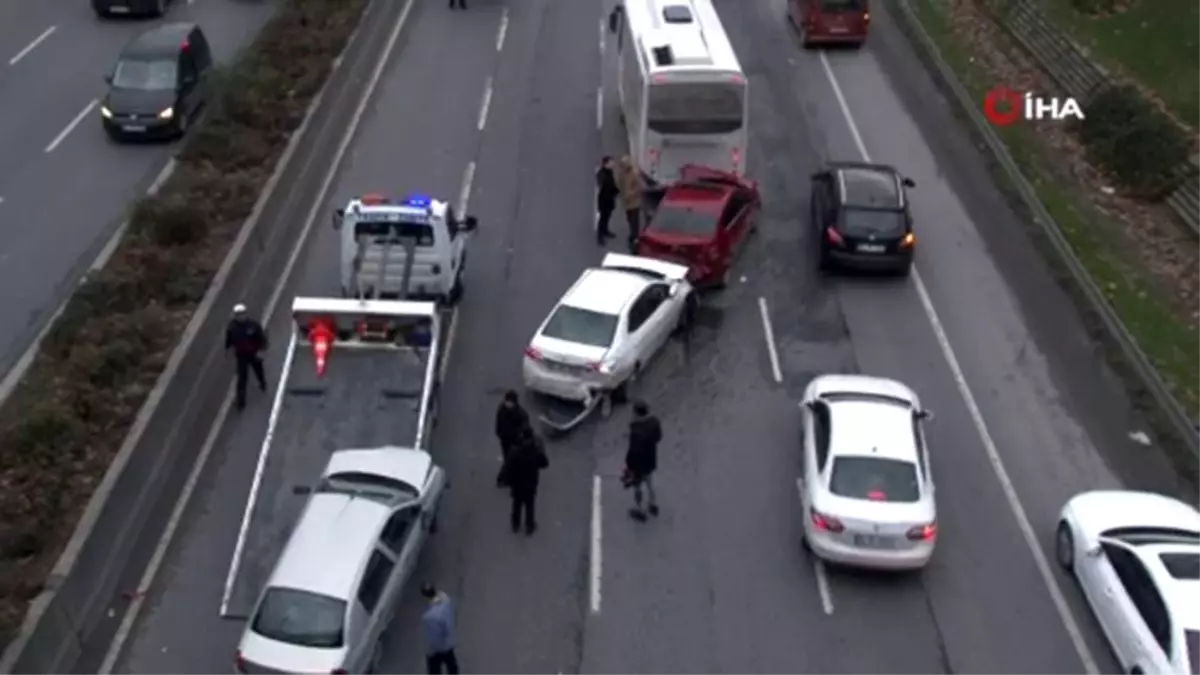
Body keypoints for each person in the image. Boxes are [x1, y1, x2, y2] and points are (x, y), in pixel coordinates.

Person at [506, 425, 549, 534]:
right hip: (531, 484)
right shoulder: (536, 452)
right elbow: (545, 463)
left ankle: (515, 524)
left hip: (517, 484)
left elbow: (509, 467)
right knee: (530, 506)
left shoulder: (515, 452)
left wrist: (509, 481)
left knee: (517, 504)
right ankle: (529, 526)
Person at [225, 303, 268, 411]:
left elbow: (261, 338)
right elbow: (229, 339)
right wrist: (228, 349)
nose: (240, 316)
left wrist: (261, 349)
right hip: (241, 356)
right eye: (238, 314)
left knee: (258, 370)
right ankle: (241, 403)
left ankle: (262, 383)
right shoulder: (232, 327)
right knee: (242, 379)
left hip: (253, 353)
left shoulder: (253, 325)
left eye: (242, 314)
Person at [625, 400, 662, 521]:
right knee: (650, 482)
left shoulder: (636, 429)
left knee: (637, 487)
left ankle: (639, 509)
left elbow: (633, 451)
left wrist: (629, 466)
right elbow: (658, 437)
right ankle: (653, 503)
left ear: (636, 413)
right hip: (650, 458)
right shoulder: (654, 422)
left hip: (638, 465)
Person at [421, 583, 459, 675]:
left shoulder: (429, 616)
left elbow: (433, 635)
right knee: (452, 666)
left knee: (434, 670)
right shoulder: (446, 601)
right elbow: (442, 594)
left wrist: (430, 651)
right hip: (449, 642)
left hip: (437, 649)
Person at [493, 390, 530, 487]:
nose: (508, 404)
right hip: (505, 439)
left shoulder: (520, 414)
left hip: (515, 440)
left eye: (510, 402)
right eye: (507, 401)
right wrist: (499, 433)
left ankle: (503, 479)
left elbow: (525, 426)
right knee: (509, 459)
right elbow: (499, 423)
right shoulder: (502, 410)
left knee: (511, 459)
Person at [616, 155, 645, 249]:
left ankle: (635, 238)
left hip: (634, 203)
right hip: (626, 203)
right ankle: (632, 234)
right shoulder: (621, 174)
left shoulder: (634, 174)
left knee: (634, 221)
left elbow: (639, 187)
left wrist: (631, 193)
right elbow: (620, 185)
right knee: (629, 219)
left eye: (624, 164)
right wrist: (620, 194)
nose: (623, 166)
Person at [595, 156, 619, 245]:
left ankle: (605, 230)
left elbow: (612, 184)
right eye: (611, 162)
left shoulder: (609, 172)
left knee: (607, 216)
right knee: (603, 218)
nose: (613, 164)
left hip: (609, 199)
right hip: (604, 200)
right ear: (606, 164)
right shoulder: (602, 174)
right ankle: (600, 236)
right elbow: (604, 186)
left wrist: (616, 191)